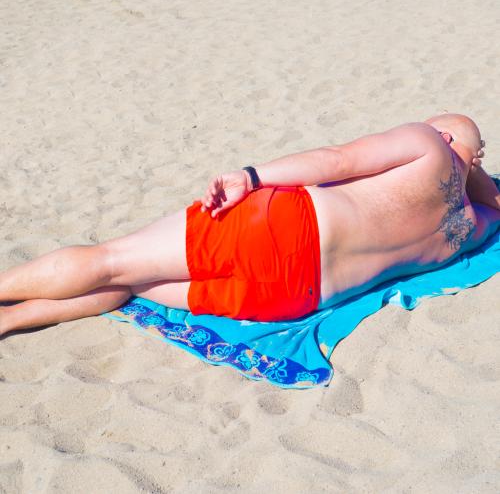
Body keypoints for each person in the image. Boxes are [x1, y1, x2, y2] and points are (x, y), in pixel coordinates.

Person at [0, 113, 499, 336]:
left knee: (110, 260)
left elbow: (338, 159)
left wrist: (252, 176)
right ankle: (10, 321)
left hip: (285, 228)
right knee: (130, 286)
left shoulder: (426, 142)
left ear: (443, 134)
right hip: (295, 297)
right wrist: (474, 176)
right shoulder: (466, 234)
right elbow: (494, 204)